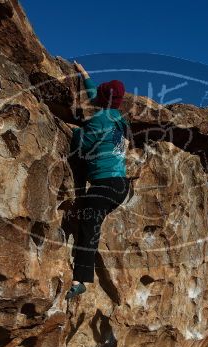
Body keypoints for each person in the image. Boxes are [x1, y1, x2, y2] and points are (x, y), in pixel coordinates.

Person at [65, 61, 130, 301]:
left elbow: (83, 146)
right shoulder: (120, 121)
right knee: (92, 216)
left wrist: (76, 132)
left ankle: (79, 280)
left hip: (104, 185)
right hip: (121, 185)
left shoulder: (99, 121)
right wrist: (84, 75)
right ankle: (81, 276)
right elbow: (97, 97)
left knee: (89, 225)